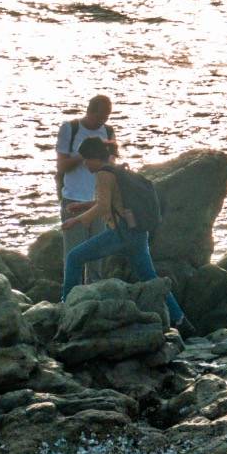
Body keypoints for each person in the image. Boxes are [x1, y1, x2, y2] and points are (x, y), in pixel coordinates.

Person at [60, 137, 191, 333]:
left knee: (74, 257)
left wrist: (75, 221)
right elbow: (110, 202)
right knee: (151, 279)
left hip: (120, 234)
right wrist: (81, 206)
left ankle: (65, 307)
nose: (85, 164)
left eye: (87, 159)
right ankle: (181, 320)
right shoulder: (116, 169)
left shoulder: (103, 174)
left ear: (95, 157)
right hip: (137, 234)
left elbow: (103, 206)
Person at [55, 95, 117, 285]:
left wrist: (104, 158)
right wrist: (85, 154)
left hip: (99, 201)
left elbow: (111, 166)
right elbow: (61, 166)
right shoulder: (70, 128)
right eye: (100, 117)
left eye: (107, 117)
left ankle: (94, 297)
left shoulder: (108, 131)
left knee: (97, 259)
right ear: (90, 111)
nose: (103, 121)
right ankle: (71, 299)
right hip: (73, 199)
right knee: (73, 257)